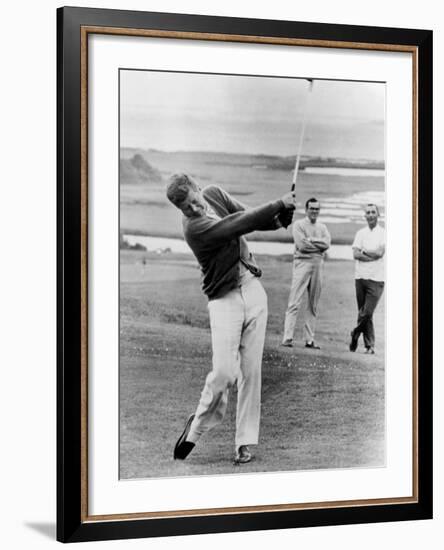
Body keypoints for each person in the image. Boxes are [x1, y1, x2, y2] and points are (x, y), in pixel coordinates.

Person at [166, 174, 295, 464]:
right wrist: (277, 203)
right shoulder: (195, 229)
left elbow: (246, 214)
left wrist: (278, 220)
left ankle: (244, 443)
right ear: (181, 211)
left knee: (251, 372)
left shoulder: (214, 193)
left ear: (199, 188)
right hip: (224, 300)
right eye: (187, 208)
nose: (195, 209)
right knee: (224, 373)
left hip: (252, 289)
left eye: (195, 201)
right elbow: (237, 225)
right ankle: (196, 428)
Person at [282, 197, 331, 349]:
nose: (314, 211)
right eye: (312, 208)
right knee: (294, 301)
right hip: (302, 263)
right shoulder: (298, 225)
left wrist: (312, 240)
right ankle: (287, 338)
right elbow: (302, 245)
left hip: (318, 266)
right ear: (306, 209)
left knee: (313, 304)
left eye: (317, 209)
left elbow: (327, 243)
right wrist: (318, 247)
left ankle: (309, 340)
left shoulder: (322, 227)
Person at [349, 203, 385, 354]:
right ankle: (369, 346)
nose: (370, 215)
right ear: (365, 216)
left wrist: (365, 252)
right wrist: (369, 254)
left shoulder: (384, 233)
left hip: (377, 278)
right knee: (364, 312)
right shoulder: (360, 233)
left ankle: (355, 332)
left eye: (373, 212)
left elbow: (379, 253)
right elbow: (355, 254)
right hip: (360, 277)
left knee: (367, 312)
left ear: (378, 215)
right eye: (368, 213)